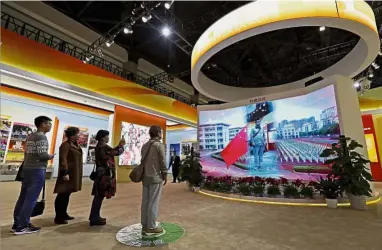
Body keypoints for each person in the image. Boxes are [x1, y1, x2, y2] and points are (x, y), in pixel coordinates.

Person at [12, 116, 54, 235]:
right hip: (37, 169)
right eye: (48, 124)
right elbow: (42, 155)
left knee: (23, 197)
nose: (50, 126)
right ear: (42, 124)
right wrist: (50, 156)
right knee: (31, 198)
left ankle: (17, 223)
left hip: (27, 169)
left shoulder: (31, 136)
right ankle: (23, 225)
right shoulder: (41, 137)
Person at [89, 130, 125, 226]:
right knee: (99, 196)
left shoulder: (100, 146)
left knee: (98, 196)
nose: (108, 138)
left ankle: (95, 216)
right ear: (102, 137)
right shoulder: (103, 146)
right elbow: (115, 152)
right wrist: (121, 145)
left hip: (101, 174)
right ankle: (94, 217)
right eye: (107, 136)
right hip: (104, 175)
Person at [141, 125, 167, 235]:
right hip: (155, 177)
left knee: (145, 201)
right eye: (161, 132)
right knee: (153, 202)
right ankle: (151, 226)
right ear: (158, 133)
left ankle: (145, 224)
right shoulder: (158, 146)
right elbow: (162, 162)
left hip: (145, 177)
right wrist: (165, 174)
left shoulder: (145, 145)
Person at [53, 127, 83, 225]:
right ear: (72, 135)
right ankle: (58, 217)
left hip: (73, 173)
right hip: (67, 173)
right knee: (62, 194)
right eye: (77, 134)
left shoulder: (75, 145)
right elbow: (63, 159)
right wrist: (65, 172)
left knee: (67, 194)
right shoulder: (65, 145)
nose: (79, 135)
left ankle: (63, 213)